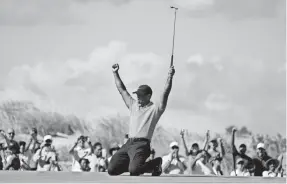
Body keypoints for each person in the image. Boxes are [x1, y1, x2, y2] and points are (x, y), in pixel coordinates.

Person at [108, 63, 175, 176]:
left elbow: (165, 93)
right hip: (128, 144)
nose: (138, 97)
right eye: (137, 95)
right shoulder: (133, 105)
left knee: (134, 171)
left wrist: (170, 76)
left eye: (141, 95)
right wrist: (115, 73)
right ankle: (134, 164)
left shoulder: (155, 109)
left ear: (149, 96)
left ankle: (156, 163)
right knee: (112, 169)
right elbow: (122, 89)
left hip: (141, 145)